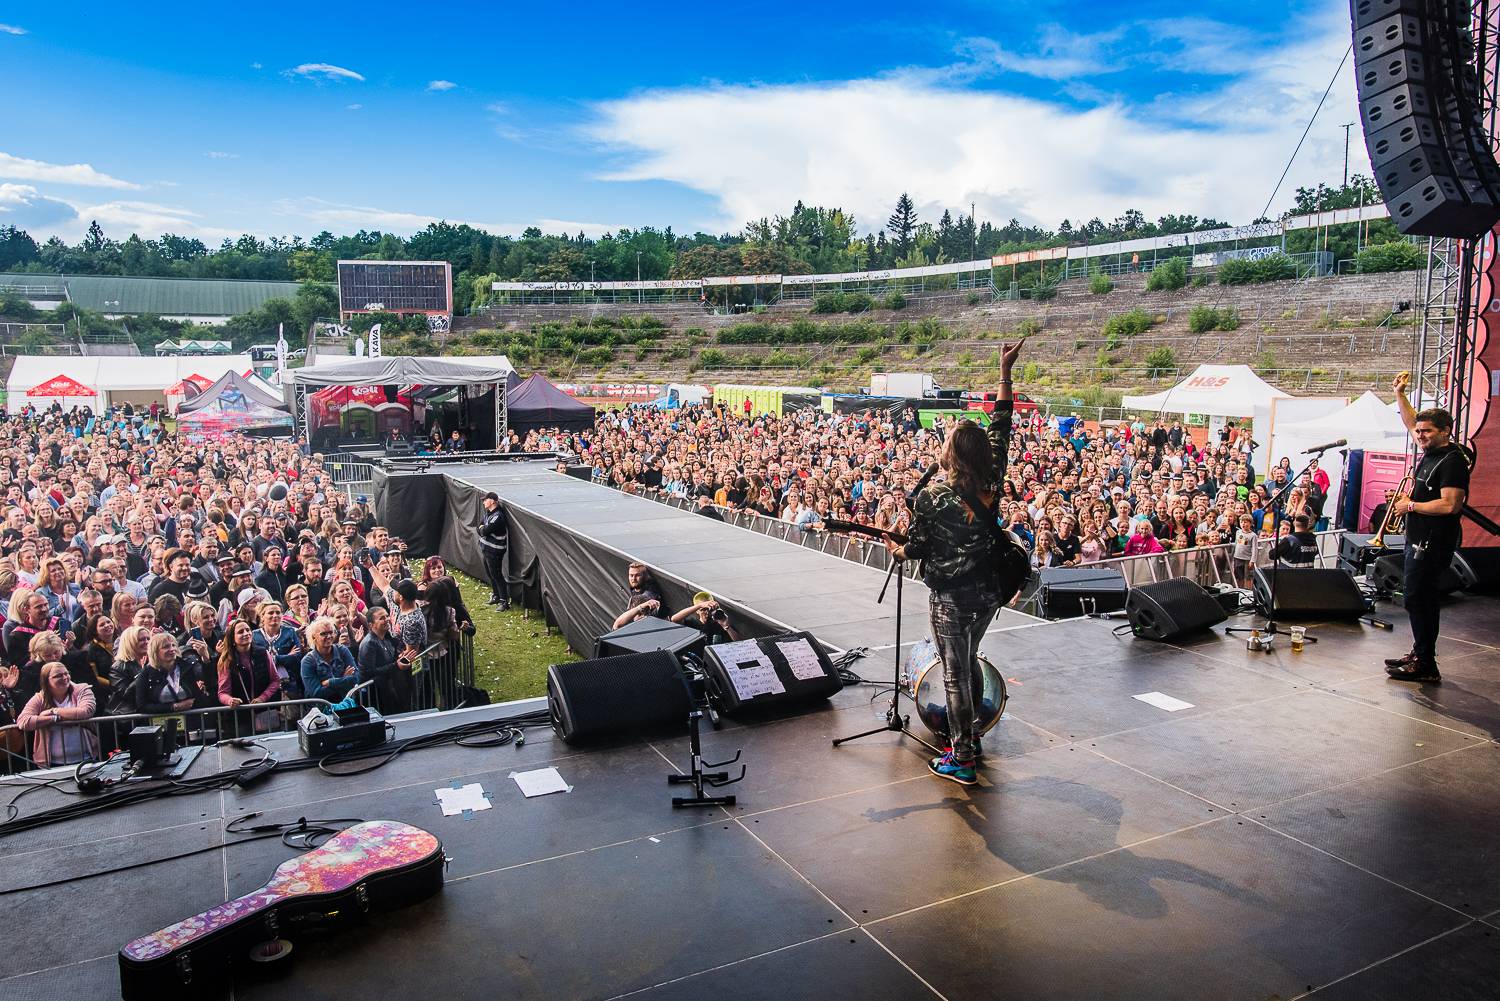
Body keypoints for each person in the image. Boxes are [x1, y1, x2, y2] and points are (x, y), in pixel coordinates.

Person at [885, 341, 1022, 787]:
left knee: (955, 674)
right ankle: (972, 738)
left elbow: (919, 547)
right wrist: (1004, 372)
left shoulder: (932, 496)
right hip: (989, 594)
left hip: (952, 598)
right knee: (970, 662)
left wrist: (900, 551)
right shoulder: (992, 473)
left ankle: (961, 756)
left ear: (952, 453)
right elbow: (1003, 421)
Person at [1386, 372, 1470, 684]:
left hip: (1433, 542)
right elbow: (1410, 421)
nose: (1420, 435)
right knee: (1414, 597)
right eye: (1419, 431)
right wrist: (1399, 393)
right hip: (1419, 537)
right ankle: (1420, 652)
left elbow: (1451, 504)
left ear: (1446, 431)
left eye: (1427, 431)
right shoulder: (1432, 451)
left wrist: (1411, 505)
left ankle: (1426, 663)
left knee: (1419, 598)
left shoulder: (1452, 461)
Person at [17, 661, 98, 766]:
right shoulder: (39, 698)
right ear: (46, 680)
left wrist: (53, 711)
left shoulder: (82, 689)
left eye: (66, 673)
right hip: (53, 763)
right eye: (58, 675)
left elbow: (86, 711)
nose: (65, 677)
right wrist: (54, 719)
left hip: (86, 757)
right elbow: (23, 721)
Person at [300, 615, 360, 702]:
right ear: (313, 637)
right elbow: (316, 692)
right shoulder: (307, 661)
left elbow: (356, 678)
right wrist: (344, 679)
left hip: (346, 704)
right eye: (323, 634)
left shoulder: (342, 650)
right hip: (322, 709)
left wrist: (331, 682)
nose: (329, 636)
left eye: (331, 632)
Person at [477, 492, 510, 608]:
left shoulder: (498, 516)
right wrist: (482, 528)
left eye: (485, 500)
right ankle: (496, 596)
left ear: (492, 501)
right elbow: (479, 527)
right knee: (490, 574)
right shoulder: (488, 514)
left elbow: (484, 531)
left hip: (495, 551)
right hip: (486, 549)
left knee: (496, 575)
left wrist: (482, 529)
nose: (483, 502)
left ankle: (504, 601)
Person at [612, 562, 666, 628]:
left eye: (637, 575)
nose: (633, 579)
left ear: (645, 576)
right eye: (631, 575)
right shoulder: (634, 588)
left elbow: (644, 598)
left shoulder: (651, 588)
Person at [671, 595, 742, 645]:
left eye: (709, 610)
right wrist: (700, 605)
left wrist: (727, 627)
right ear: (697, 611)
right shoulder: (692, 623)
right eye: (703, 610)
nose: (707, 612)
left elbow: (741, 643)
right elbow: (674, 619)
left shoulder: (720, 623)